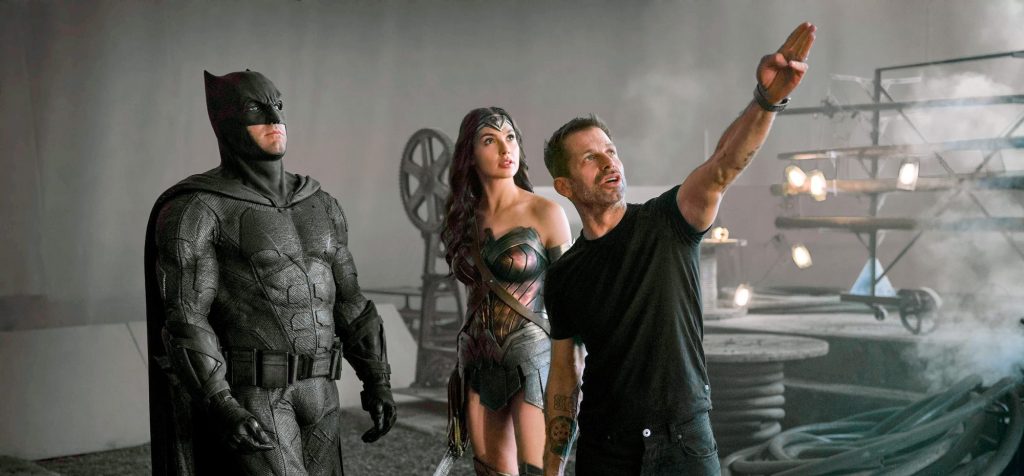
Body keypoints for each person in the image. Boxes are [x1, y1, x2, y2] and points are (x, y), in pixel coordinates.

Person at [541, 23, 817, 476]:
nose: (609, 162)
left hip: (683, 443)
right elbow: (564, 374)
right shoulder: (564, 275)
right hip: (605, 448)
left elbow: (724, 164)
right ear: (565, 185)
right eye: (590, 158)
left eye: (611, 151)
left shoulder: (668, 221)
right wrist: (552, 467)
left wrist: (766, 101)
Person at [144, 69, 396, 475]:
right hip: (256, 396)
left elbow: (350, 300)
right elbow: (187, 318)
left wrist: (377, 379)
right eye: (255, 109)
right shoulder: (198, 208)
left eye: (278, 105)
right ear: (225, 122)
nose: (274, 117)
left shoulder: (322, 204)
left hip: (322, 389)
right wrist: (221, 404)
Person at [440, 107, 572, 476]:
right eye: (490, 140)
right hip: (476, 358)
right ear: (470, 154)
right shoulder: (462, 218)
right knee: (489, 470)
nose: (505, 148)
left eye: (510, 137)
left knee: (540, 470)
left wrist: (573, 368)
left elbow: (571, 298)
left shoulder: (546, 212)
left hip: (533, 359)